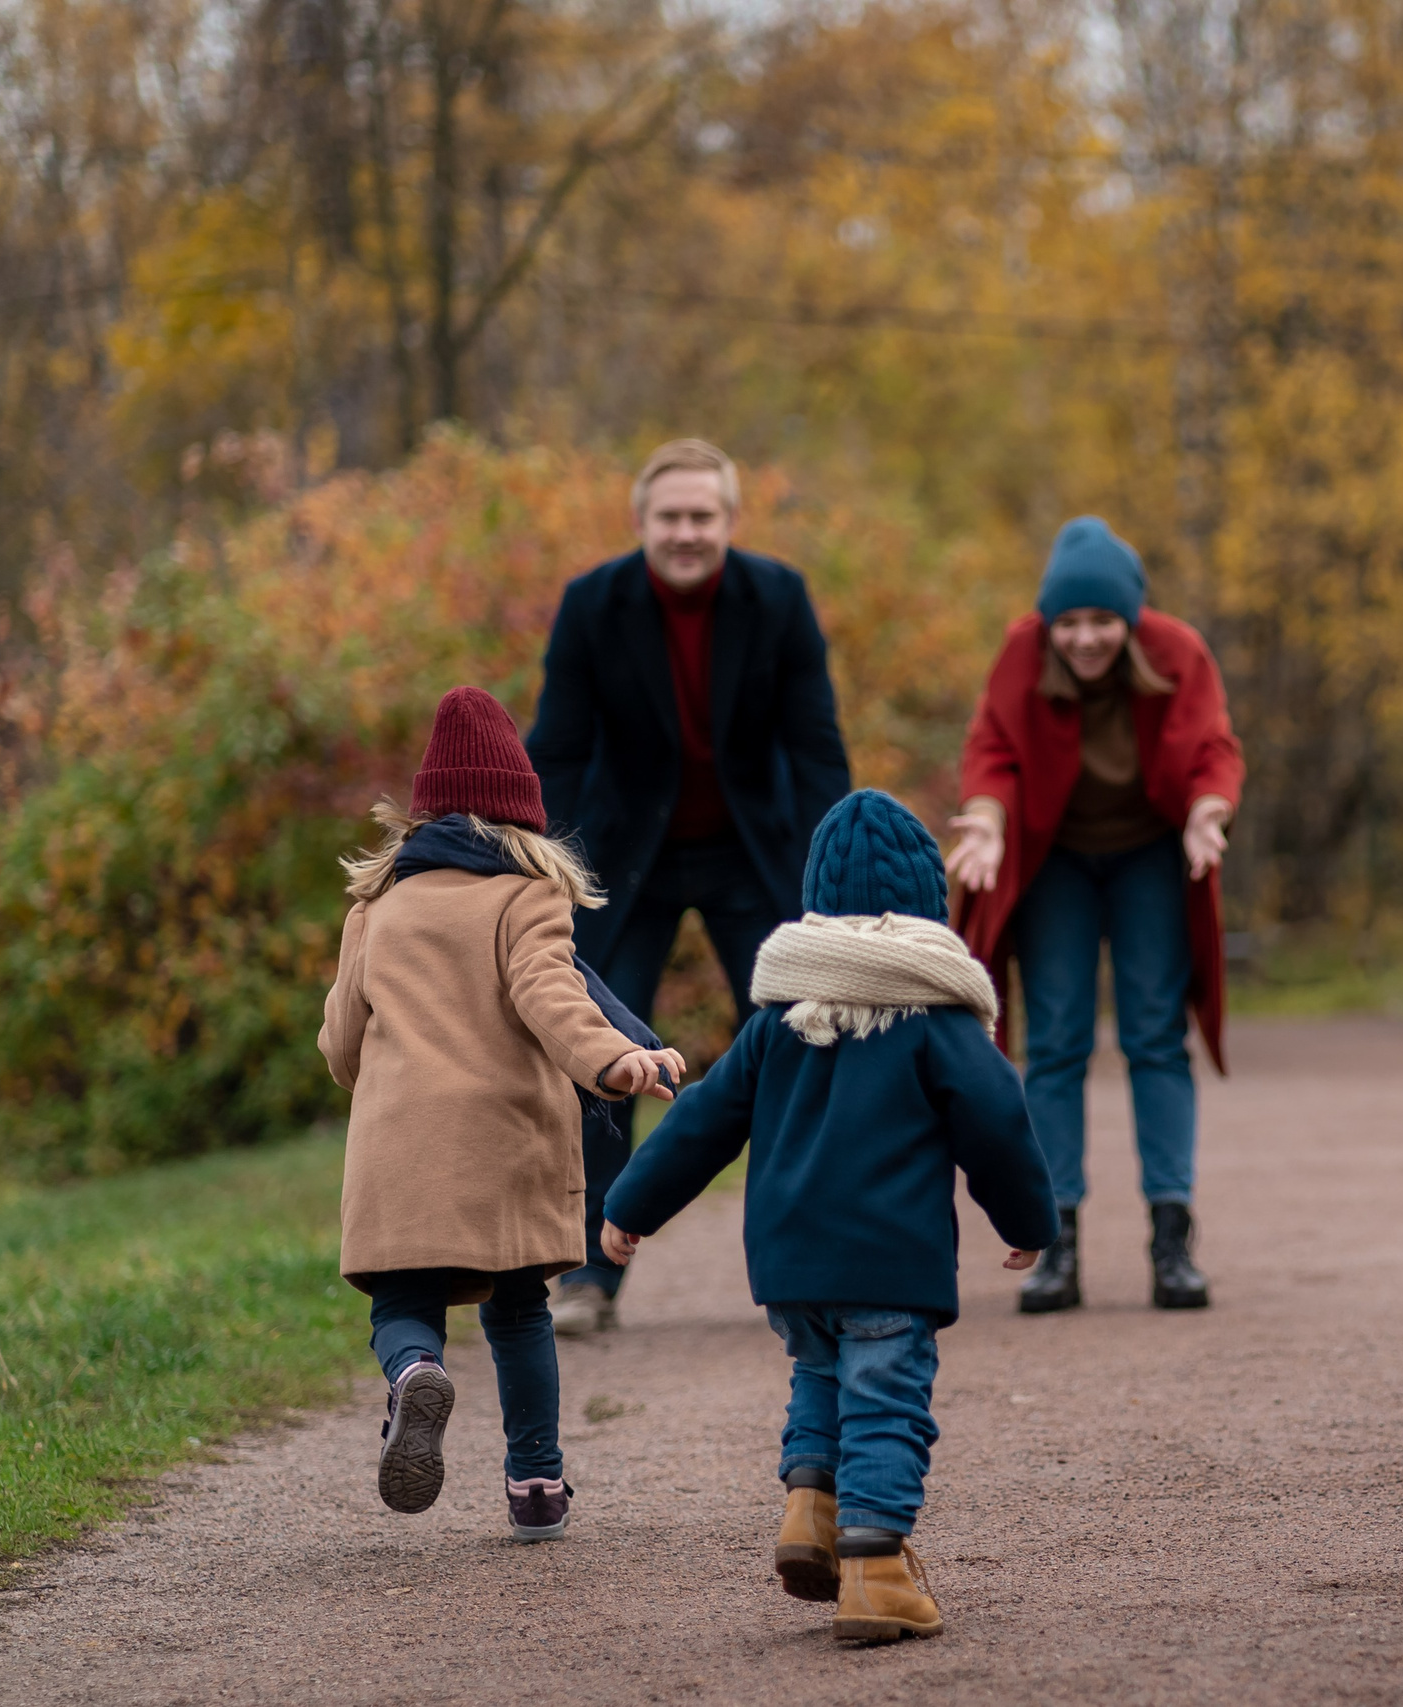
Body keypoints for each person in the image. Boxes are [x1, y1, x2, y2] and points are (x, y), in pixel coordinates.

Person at [599, 790, 1058, 1644]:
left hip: (793, 1265)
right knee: (887, 1397)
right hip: (891, 1258)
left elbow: (703, 1119)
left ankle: (811, 1511)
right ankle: (877, 1571)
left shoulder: (781, 1016)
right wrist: (1028, 1218)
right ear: (928, 906)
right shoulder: (935, 1016)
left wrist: (629, 1204)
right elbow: (997, 1118)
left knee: (820, 1373)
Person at [319, 686, 687, 1541]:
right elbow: (551, 995)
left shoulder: (375, 909)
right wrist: (613, 1061)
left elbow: (340, 1044)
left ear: (422, 811)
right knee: (520, 1309)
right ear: (523, 813)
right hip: (506, 1145)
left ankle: (413, 1370)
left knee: (402, 1303)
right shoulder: (527, 897)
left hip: (399, 1154)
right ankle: (535, 1484)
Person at [526, 439, 852, 1335]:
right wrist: (542, 862)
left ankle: (806, 1263)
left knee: (800, 1039)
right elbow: (556, 744)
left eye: (702, 516)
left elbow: (815, 743)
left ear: (729, 521)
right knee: (597, 1052)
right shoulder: (594, 605)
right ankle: (590, 1278)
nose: (686, 532)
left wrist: (835, 872)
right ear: (640, 524)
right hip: (627, 858)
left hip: (754, 853)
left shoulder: (777, 597)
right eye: (669, 517)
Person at [947, 516, 1244, 1314]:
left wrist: (1208, 812)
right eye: (1069, 622)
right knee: (1057, 1042)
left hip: (1153, 851)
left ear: (1131, 619)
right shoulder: (1022, 651)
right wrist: (986, 819)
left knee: (1153, 1033)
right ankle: (1056, 1242)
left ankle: (1171, 1237)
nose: (1084, 638)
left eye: (1102, 621)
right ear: (1050, 621)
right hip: (1057, 862)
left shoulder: (1178, 650)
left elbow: (1215, 747)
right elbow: (993, 752)